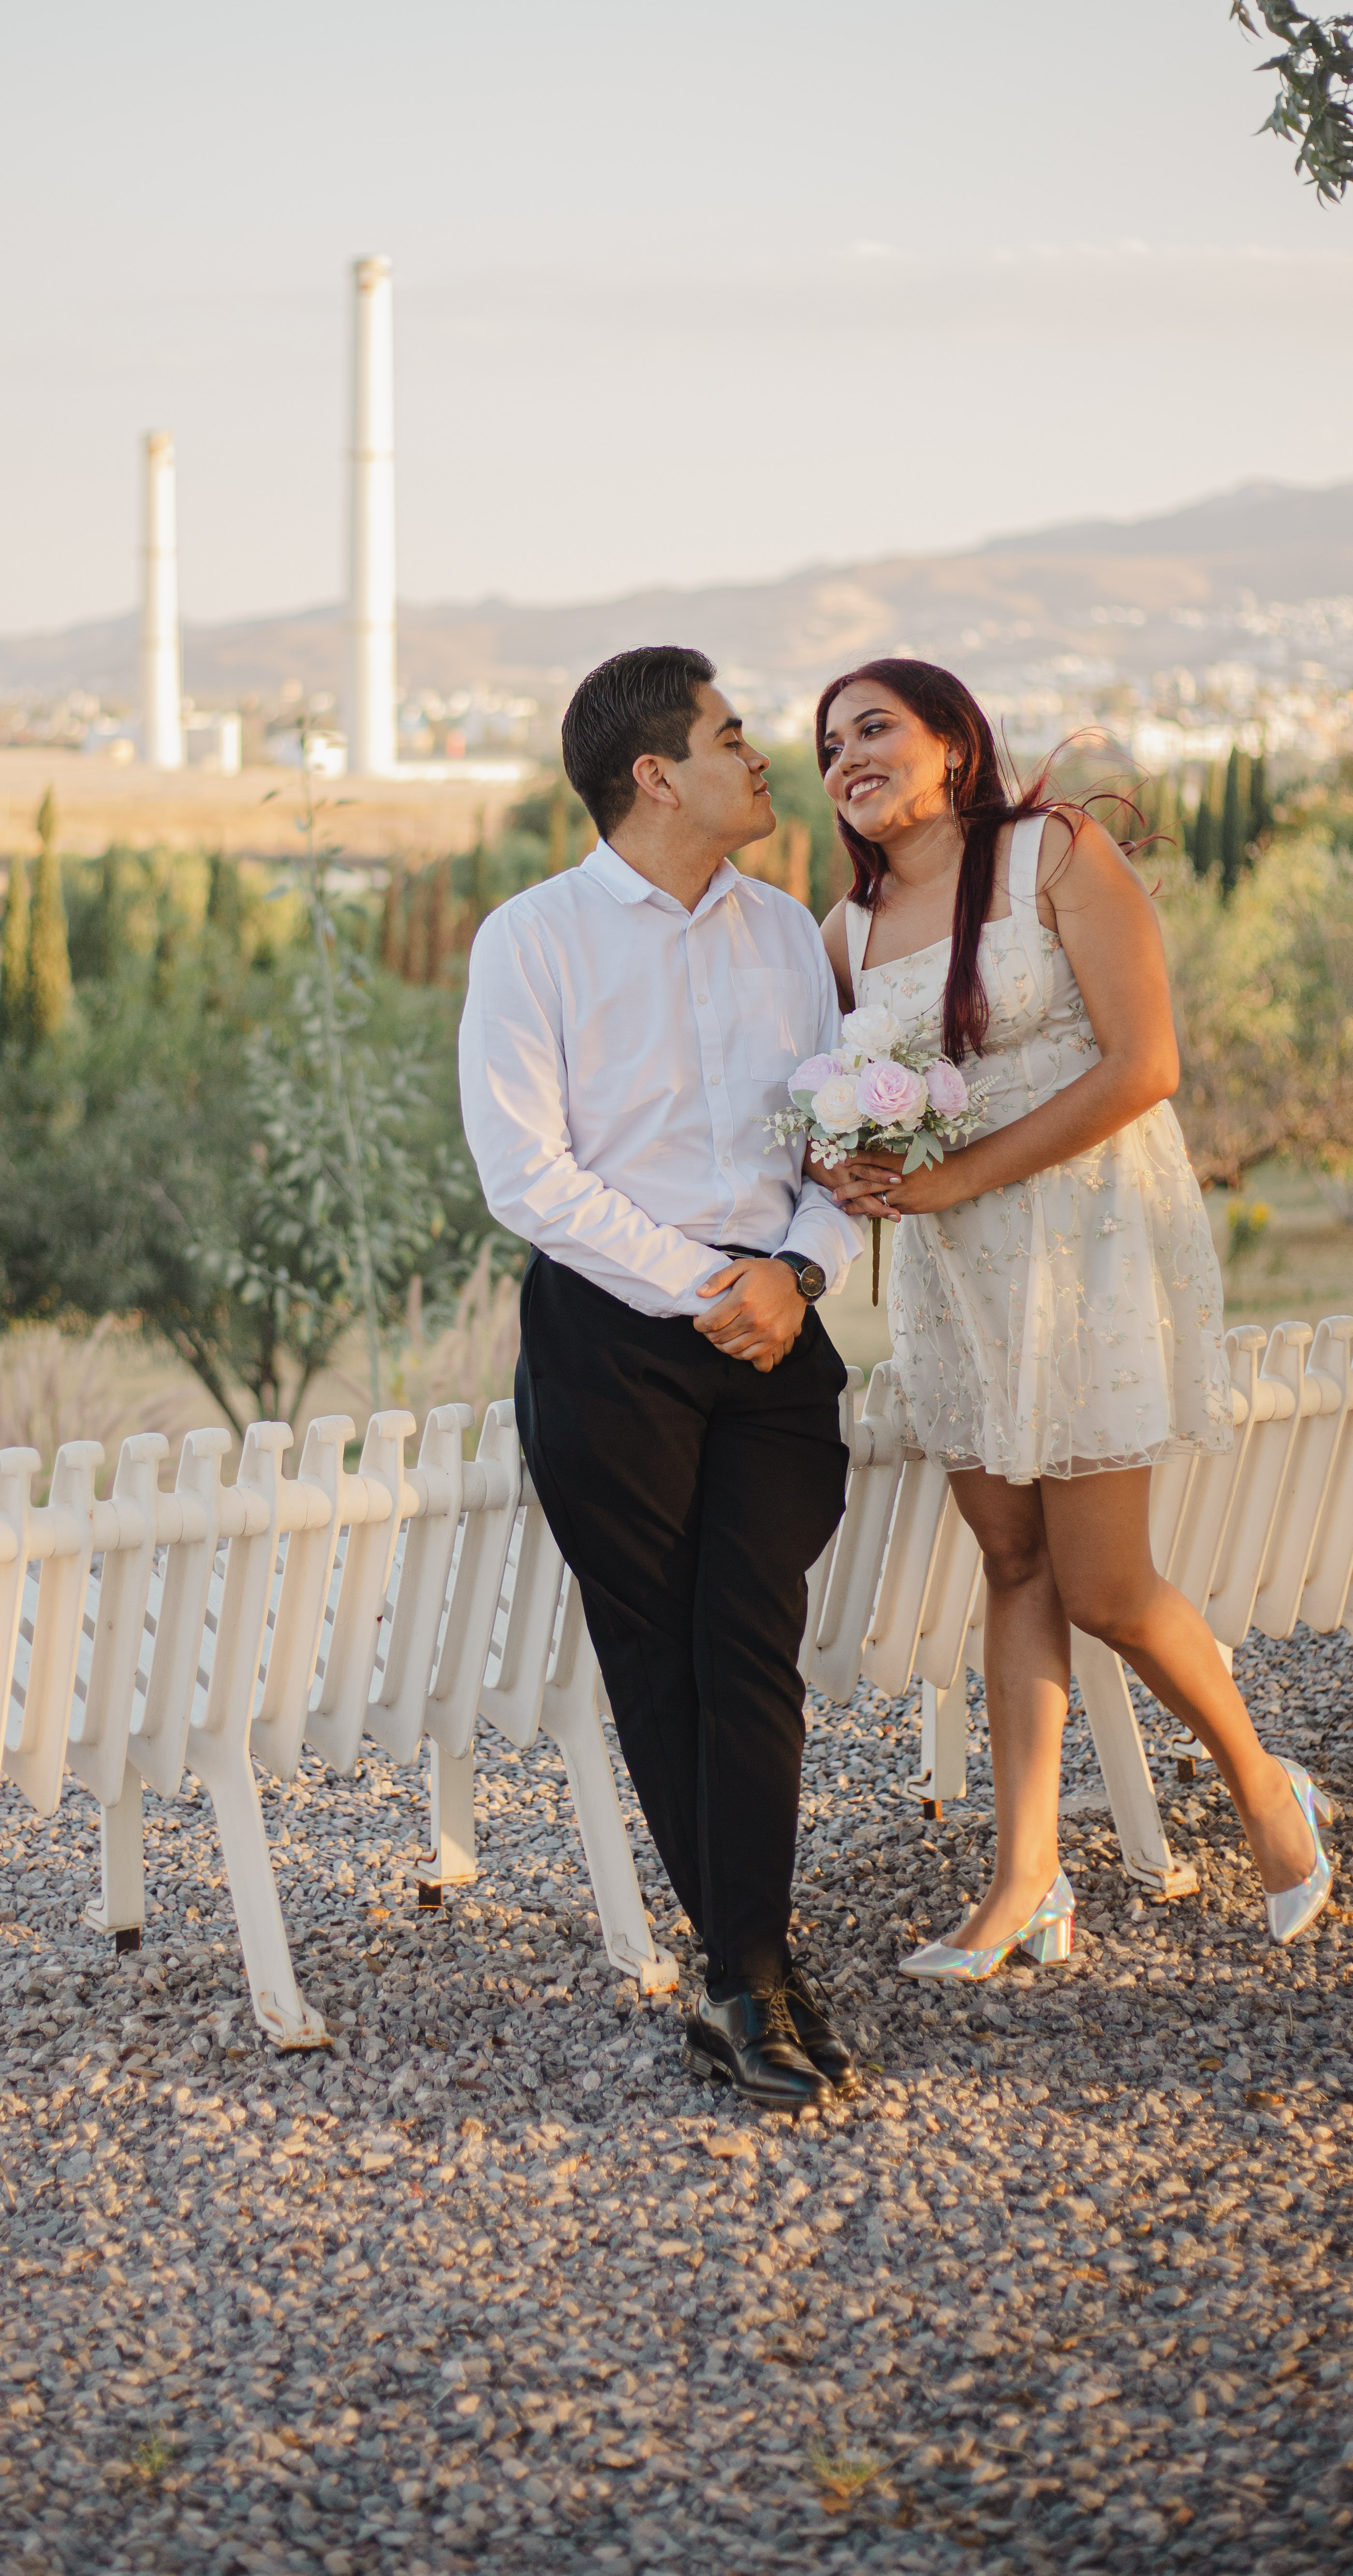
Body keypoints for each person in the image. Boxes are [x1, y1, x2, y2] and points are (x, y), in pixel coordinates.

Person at [810, 660, 1334, 1974]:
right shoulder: (843, 936)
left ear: (951, 741)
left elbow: (1145, 1062)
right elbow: (837, 1099)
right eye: (827, 746)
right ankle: (1025, 1881)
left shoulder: (1054, 854)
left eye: (874, 726)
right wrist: (850, 1169)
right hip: (959, 1278)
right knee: (1015, 1567)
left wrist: (954, 1175)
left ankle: (1270, 1791)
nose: (847, 756)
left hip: (1092, 1246)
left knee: (1104, 1582)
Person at [459, 646, 864, 2108]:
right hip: (611, 1338)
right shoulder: (534, 939)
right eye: (733, 734)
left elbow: (842, 1156)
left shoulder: (781, 938)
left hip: (775, 1338)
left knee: (748, 1635)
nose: (763, 759)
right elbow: (526, 1175)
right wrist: (708, 1284)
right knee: (656, 1656)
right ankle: (750, 1974)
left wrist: (794, 1277)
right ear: (655, 775)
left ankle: (743, 1963)